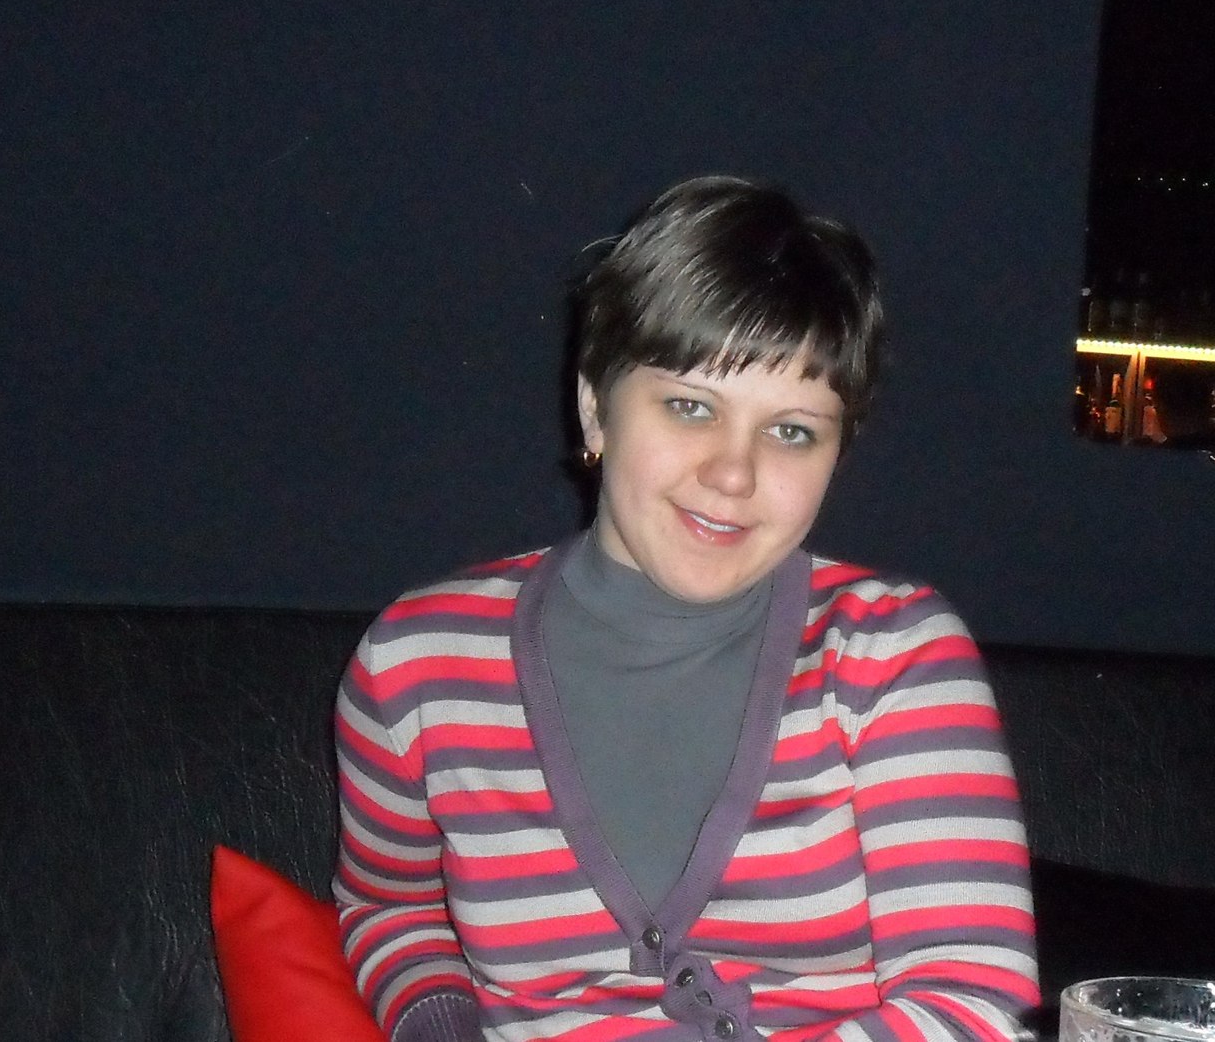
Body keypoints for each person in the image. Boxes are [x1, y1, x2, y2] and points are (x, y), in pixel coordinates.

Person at [334, 175, 1036, 1042]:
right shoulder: (416, 664)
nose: (733, 473)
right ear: (595, 407)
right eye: (690, 407)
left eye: (791, 430)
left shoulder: (891, 653)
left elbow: (975, 1004)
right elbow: (390, 906)